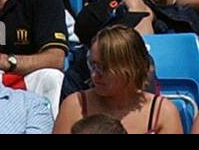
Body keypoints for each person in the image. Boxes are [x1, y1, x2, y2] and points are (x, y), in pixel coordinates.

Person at [52, 24, 183, 134]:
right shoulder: (76, 106)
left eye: (104, 68)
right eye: (93, 65)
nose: (94, 75)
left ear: (131, 67)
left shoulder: (162, 112)